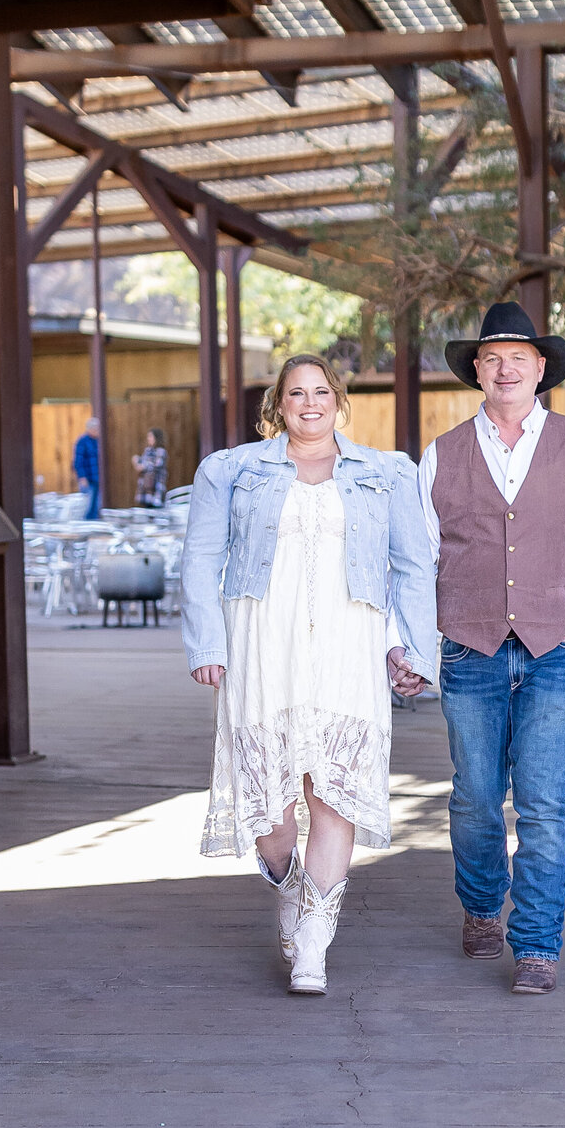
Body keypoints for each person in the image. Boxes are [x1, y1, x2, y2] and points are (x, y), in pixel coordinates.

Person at [181, 354, 436, 995]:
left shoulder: (386, 474)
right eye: (297, 393)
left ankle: (314, 942)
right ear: (279, 404)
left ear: (339, 401)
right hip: (261, 640)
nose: (310, 403)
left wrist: (414, 649)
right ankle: (288, 881)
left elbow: (412, 568)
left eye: (321, 391)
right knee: (269, 813)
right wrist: (206, 643)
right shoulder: (231, 472)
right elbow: (200, 560)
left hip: (350, 642)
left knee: (334, 792)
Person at [414, 301, 565, 996]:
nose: (506, 367)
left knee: (543, 800)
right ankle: (482, 905)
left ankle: (538, 945)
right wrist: (416, 648)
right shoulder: (442, 454)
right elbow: (418, 561)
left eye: (519, 356)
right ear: (476, 372)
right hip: (468, 648)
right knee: (475, 797)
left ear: (541, 369)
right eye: (493, 357)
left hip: (556, 650)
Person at [73, 416, 101, 520]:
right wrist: (82, 477)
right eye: (96, 428)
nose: (98, 431)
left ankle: (95, 526)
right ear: (91, 429)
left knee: (96, 506)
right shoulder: (82, 441)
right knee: (87, 507)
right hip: (88, 479)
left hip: (97, 478)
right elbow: (78, 462)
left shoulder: (98, 441)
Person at [133, 427, 168, 508]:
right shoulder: (147, 451)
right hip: (146, 489)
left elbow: (155, 465)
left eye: (151, 436)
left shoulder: (161, 451)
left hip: (156, 488)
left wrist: (142, 466)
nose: (148, 439)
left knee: (156, 510)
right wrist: (136, 460)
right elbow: (141, 463)